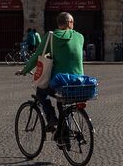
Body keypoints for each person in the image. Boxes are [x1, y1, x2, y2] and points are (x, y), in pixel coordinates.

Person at [19, 11, 85, 139]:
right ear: (70, 22)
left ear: (58, 23)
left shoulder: (51, 37)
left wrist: (25, 70)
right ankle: (64, 135)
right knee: (63, 103)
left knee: (41, 92)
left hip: (60, 81)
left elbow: (37, 56)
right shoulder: (80, 37)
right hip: (78, 81)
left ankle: (52, 118)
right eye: (73, 22)